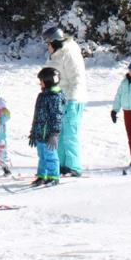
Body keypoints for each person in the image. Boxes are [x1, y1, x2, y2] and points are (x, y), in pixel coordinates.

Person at [45, 27, 88, 176]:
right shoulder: (55, 55)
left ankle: (73, 167)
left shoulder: (69, 53)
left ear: (55, 42)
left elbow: (77, 78)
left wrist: (73, 100)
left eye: (48, 43)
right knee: (59, 133)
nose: (47, 46)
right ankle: (62, 164)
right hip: (58, 99)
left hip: (72, 99)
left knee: (70, 134)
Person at [28, 67, 66, 187]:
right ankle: (42, 176)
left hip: (49, 135)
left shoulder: (55, 97)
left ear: (49, 81)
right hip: (40, 133)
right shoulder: (42, 95)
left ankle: (53, 176)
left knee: (51, 156)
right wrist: (34, 133)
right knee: (42, 156)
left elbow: (57, 117)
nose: (40, 83)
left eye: (42, 81)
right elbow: (37, 116)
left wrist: (54, 133)